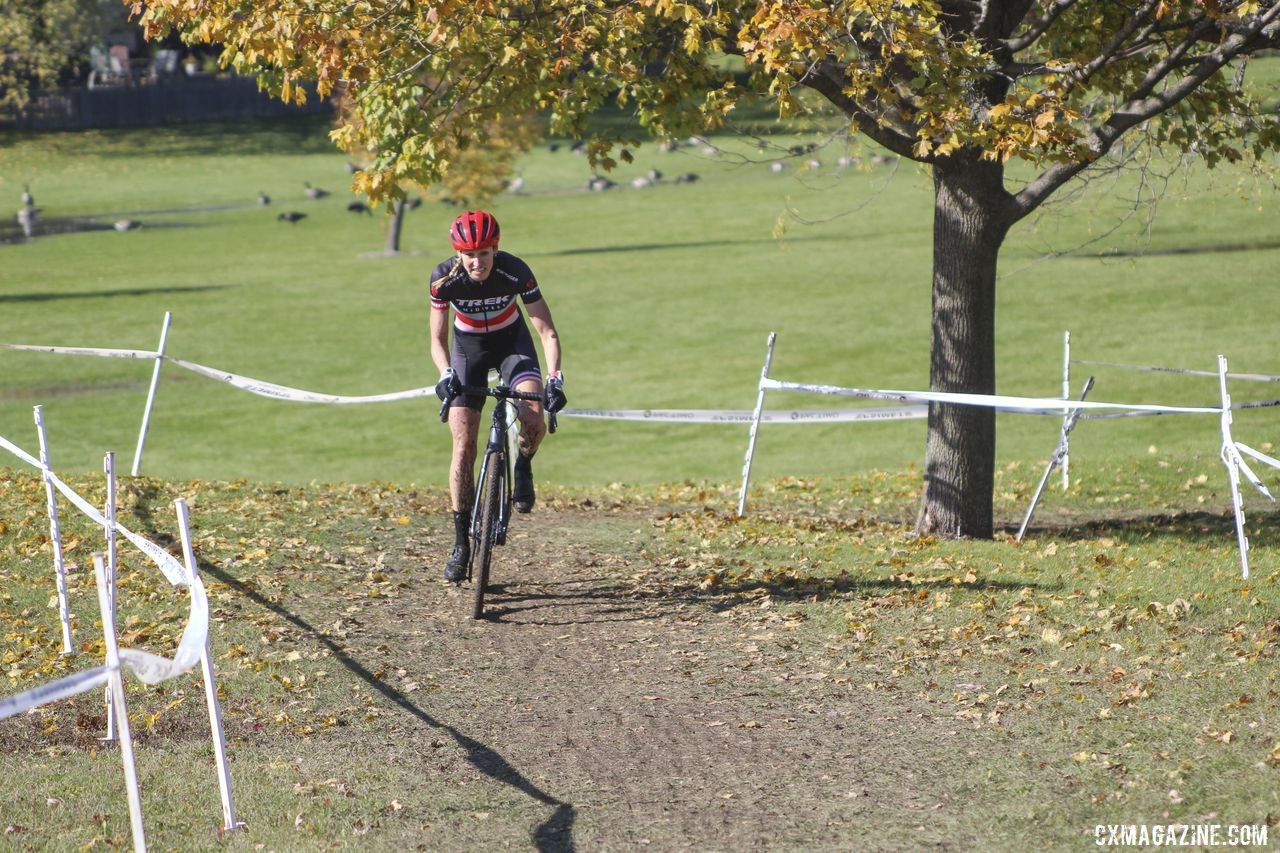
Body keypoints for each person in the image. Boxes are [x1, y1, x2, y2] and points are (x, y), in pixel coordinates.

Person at [430, 210, 566, 582]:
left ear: (496, 249)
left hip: (512, 345)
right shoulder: (444, 280)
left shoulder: (515, 271)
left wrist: (554, 379)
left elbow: (547, 332)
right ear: (458, 253)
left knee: (533, 415)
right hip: (467, 351)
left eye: (485, 254)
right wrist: (444, 375)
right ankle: (461, 544)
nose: (478, 262)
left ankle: (523, 464)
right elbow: (437, 339)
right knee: (463, 445)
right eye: (470, 254)